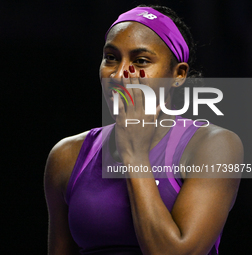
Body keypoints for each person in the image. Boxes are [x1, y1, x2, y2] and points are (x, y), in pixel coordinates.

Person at [44, 5, 243, 255]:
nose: (119, 74)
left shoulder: (215, 145)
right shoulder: (67, 155)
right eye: (111, 57)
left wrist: (135, 155)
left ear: (178, 75)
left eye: (141, 61)